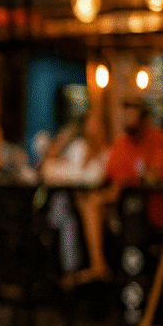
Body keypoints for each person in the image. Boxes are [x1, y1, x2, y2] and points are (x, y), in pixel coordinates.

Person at [70, 97, 163, 286]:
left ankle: (106, 270)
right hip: (122, 209)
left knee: (107, 202)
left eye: (132, 113)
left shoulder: (158, 140)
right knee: (86, 202)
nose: (127, 118)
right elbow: (109, 177)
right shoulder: (120, 144)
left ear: (144, 117)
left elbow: (155, 176)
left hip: (152, 210)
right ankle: (95, 266)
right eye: (125, 113)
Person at [39, 110, 110, 287]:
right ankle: (70, 271)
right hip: (72, 204)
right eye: (89, 124)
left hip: (99, 205)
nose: (92, 129)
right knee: (65, 210)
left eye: (97, 125)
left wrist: (73, 175)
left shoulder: (108, 153)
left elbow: (97, 179)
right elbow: (49, 170)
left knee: (85, 206)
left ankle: (91, 267)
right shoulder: (78, 147)